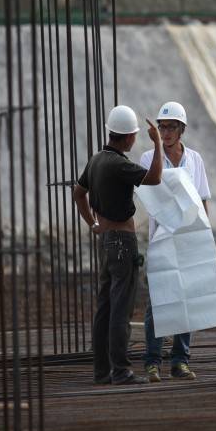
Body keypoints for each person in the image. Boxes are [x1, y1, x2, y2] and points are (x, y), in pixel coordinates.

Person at [73, 105, 163, 386]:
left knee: (105, 306)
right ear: (127, 138)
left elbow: (78, 193)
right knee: (120, 308)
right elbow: (155, 177)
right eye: (135, 136)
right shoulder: (119, 164)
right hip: (123, 243)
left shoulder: (97, 160)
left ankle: (102, 371)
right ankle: (122, 370)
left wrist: (93, 224)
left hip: (106, 241)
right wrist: (158, 143)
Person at [140, 101, 211, 383]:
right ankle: (152, 362)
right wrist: (157, 147)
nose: (166, 132)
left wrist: (204, 234)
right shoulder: (148, 158)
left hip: (189, 238)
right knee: (158, 303)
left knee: (186, 302)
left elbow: (203, 198)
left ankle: (180, 361)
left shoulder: (194, 160)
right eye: (163, 127)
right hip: (161, 238)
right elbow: (149, 192)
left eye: (171, 127)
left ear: (182, 129)